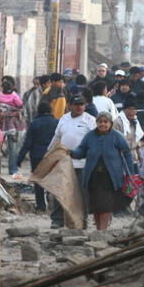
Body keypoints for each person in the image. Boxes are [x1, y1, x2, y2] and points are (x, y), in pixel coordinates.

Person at [70, 111, 134, 230]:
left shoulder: (117, 136)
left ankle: (102, 231)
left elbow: (127, 155)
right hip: (93, 177)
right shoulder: (90, 136)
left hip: (110, 178)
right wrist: (72, 153)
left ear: (110, 123)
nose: (103, 124)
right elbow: (81, 150)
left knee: (105, 205)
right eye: (100, 122)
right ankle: (99, 230)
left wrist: (130, 173)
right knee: (95, 205)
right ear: (96, 123)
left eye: (105, 122)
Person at [47, 95, 96, 229]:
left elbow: (95, 141)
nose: (79, 106)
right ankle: (57, 220)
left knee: (82, 194)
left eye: (81, 104)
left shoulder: (90, 120)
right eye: (76, 104)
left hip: (83, 164)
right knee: (60, 191)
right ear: (70, 105)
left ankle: (82, 219)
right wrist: (48, 154)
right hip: (63, 161)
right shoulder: (64, 118)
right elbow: (56, 137)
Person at [16, 101, 58, 212]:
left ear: (38, 111)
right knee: (52, 179)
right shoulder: (57, 123)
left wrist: (20, 158)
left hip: (37, 156)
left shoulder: (34, 123)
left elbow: (27, 143)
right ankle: (51, 200)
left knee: (38, 181)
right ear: (50, 111)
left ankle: (41, 206)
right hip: (52, 156)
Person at [0, 76, 24, 179]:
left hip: (0, 124)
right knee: (12, 149)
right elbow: (20, 105)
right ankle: (13, 169)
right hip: (12, 125)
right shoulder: (15, 96)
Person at [113, 97, 144, 166]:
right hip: (121, 160)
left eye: (134, 109)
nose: (131, 112)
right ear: (124, 110)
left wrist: (140, 155)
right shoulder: (118, 122)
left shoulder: (135, 122)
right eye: (129, 109)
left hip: (134, 159)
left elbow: (137, 140)